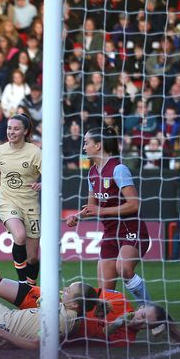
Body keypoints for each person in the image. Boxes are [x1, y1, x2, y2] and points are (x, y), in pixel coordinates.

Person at [0, 238, 137, 345]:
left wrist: (121, 322)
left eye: (144, 319)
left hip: (44, 316)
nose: (141, 318)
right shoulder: (112, 299)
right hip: (44, 299)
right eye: (144, 315)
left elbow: (103, 334)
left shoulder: (117, 333)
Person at [66, 127, 152, 305]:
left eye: (86, 143)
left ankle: (151, 313)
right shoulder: (92, 172)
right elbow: (92, 207)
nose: (84, 147)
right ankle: (113, 325)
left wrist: (102, 211)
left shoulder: (118, 169)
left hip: (132, 231)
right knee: (105, 291)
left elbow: (134, 204)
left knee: (124, 269)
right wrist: (78, 216)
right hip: (110, 234)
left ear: (98, 145)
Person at [0, 113, 41, 287]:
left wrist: (42, 184)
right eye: (10, 128)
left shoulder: (35, 152)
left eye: (16, 129)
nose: (11, 132)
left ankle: (30, 288)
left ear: (25, 131)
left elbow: (50, 174)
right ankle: (22, 282)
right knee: (20, 235)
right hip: (8, 201)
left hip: (30, 205)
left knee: (32, 257)